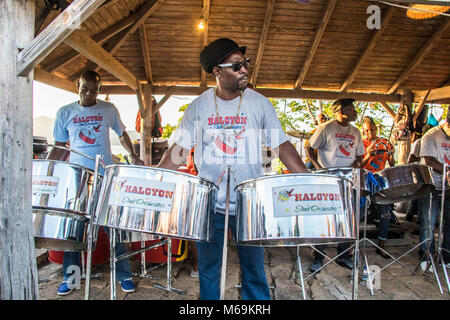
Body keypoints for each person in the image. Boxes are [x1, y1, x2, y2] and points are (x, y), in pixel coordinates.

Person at [157, 38, 309, 300]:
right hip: (209, 204)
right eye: (237, 66)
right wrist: (154, 179)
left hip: (249, 203)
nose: (245, 70)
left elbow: (281, 145)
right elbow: (178, 151)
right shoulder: (198, 107)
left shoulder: (259, 103)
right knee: (209, 270)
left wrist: (307, 180)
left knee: (254, 270)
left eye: (245, 64)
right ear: (217, 71)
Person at [47, 70, 143, 295]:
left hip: (104, 176)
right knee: (75, 230)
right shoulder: (65, 112)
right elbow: (60, 147)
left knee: (112, 228)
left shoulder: (108, 109)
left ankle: (124, 275)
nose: (89, 94)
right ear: (76, 86)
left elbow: (122, 133)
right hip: (78, 179)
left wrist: (132, 153)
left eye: (94, 90)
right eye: (84, 89)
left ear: (100, 91)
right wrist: (48, 172)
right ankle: (71, 278)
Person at [305, 98, 365, 272]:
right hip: (328, 179)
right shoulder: (326, 128)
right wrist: (318, 168)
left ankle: (344, 255)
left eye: (354, 108)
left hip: (348, 180)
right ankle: (318, 257)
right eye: (351, 108)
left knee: (348, 219)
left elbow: (360, 154)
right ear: (339, 111)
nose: (354, 111)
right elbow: (309, 147)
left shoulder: (356, 131)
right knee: (325, 219)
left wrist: (357, 165)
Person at [417, 106, 450, 271]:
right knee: (428, 223)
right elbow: (429, 160)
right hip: (431, 185)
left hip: (448, 189)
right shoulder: (431, 136)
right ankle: (426, 256)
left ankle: (446, 256)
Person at [360, 116, 395, 258]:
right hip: (365, 179)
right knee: (360, 212)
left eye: (373, 130)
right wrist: (368, 155)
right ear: (363, 131)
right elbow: (359, 165)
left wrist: (391, 154)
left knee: (385, 213)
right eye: (367, 130)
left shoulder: (384, 143)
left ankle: (381, 246)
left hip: (379, 180)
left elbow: (391, 165)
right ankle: (352, 245)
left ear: (377, 129)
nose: (370, 133)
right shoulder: (360, 143)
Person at [405, 124, 434, 223]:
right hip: (419, 173)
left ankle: (417, 221)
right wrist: (424, 157)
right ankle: (411, 219)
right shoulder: (418, 142)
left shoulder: (433, 144)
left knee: (422, 198)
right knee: (418, 199)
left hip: (429, 174)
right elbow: (411, 159)